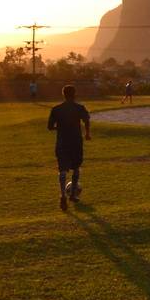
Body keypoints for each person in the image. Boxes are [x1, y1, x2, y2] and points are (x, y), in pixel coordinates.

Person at [47, 84, 91, 212]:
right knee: (76, 168)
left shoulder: (56, 109)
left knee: (62, 170)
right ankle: (72, 195)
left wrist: (60, 128)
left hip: (61, 142)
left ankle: (62, 195)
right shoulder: (80, 108)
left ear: (63, 94)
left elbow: (50, 127)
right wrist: (87, 133)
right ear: (74, 94)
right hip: (76, 142)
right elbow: (86, 120)